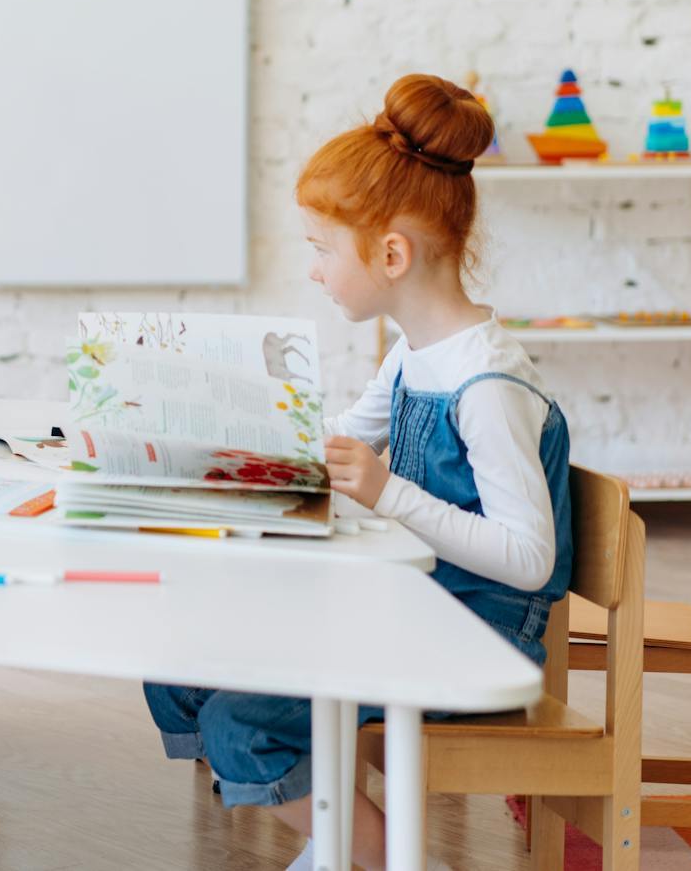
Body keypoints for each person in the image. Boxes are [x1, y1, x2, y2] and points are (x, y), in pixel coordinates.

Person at [142, 73, 573, 871]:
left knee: (243, 718)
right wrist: (218, 433)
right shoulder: (417, 351)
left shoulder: (487, 386)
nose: (312, 269)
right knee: (179, 663)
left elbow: (529, 557)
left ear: (392, 253)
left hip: (471, 637)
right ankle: (339, 836)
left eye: (320, 248)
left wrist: (388, 491)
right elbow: (341, 435)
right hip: (410, 606)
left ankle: (377, 859)